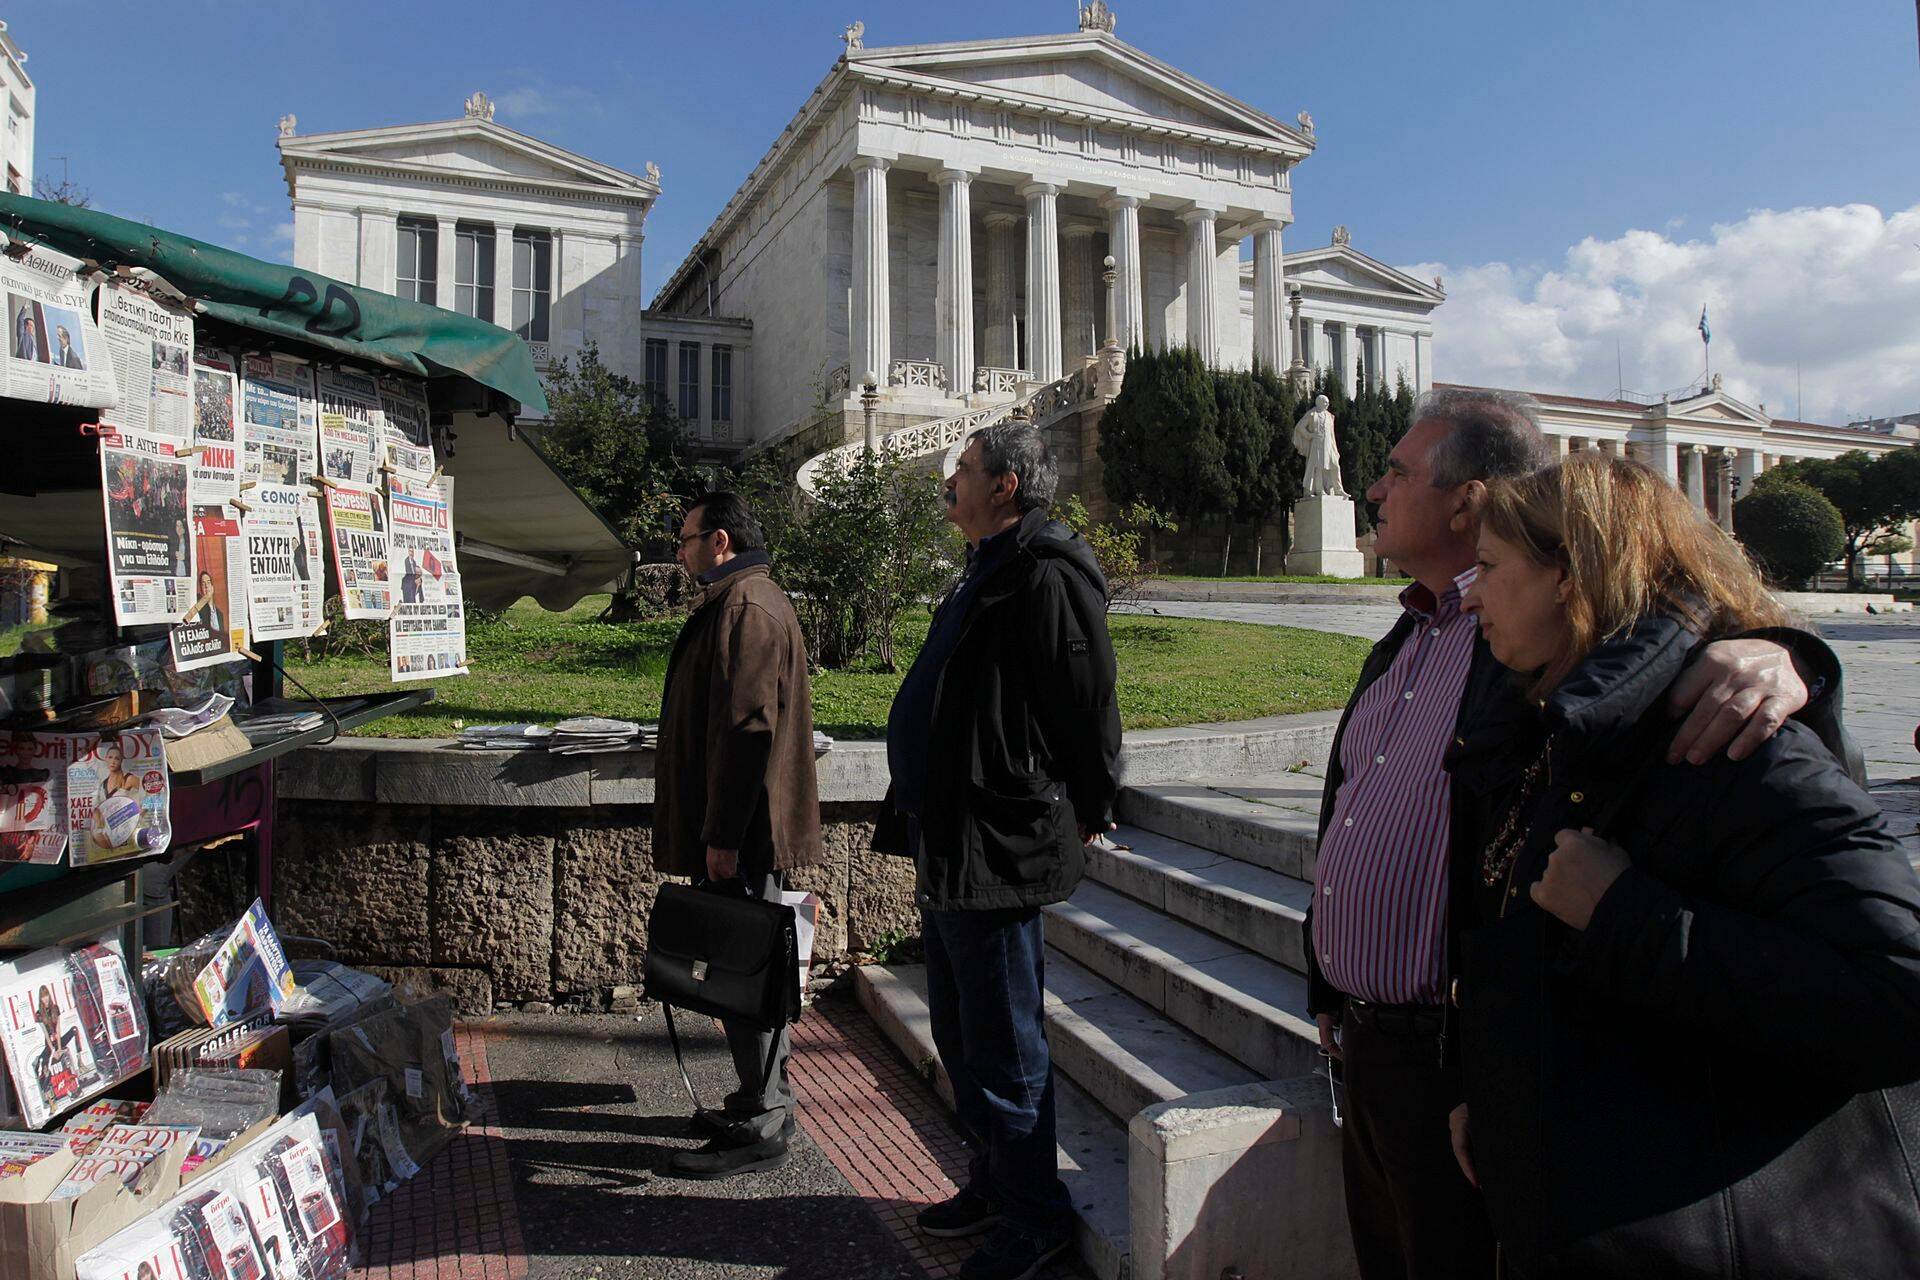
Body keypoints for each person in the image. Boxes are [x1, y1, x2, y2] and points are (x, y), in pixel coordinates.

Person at [1301, 388, 1844, 1280]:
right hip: (1369, 1049)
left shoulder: (1531, 643)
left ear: (1468, 502)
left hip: (1461, 1056)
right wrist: (1326, 972)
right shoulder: (1404, 638)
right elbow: (1349, 804)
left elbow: (1662, 641)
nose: (1372, 487)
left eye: (1398, 472)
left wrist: (1790, 656)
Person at [1447, 452, 1920, 1276]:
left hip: (1712, 1238)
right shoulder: (1545, 734)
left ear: (1570, 574)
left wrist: (1625, 913)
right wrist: (1482, 1088)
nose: (1470, 592)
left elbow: (1899, 998)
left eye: (1488, 566)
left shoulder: (1735, 745)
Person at [874, 423, 1121, 1280]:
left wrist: (1090, 799)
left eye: (965, 469)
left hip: (998, 839)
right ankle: (990, 1179)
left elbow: (1085, 698)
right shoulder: (985, 564)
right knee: (959, 1029)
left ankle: (1034, 1214)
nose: (951, 479)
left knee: (1008, 1045)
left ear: (1007, 485)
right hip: (949, 837)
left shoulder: (1045, 572)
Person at [653, 491, 822, 1180]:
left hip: (746, 836)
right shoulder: (740, 598)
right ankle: (762, 1101)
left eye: (687, 539)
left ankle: (765, 1119)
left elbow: (748, 731)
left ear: (719, 541)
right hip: (743, 830)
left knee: (749, 975)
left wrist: (721, 835)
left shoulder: (748, 607)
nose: (680, 550)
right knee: (746, 973)